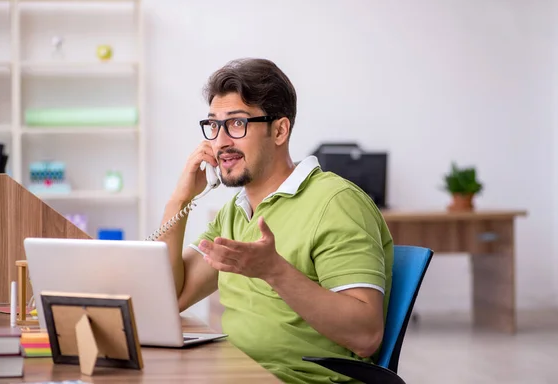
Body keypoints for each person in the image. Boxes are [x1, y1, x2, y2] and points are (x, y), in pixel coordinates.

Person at [160, 58, 394, 384]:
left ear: (280, 130)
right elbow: (170, 297)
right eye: (214, 125)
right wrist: (179, 200)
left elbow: (366, 334)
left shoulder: (336, 202)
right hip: (235, 373)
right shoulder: (236, 211)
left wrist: (274, 270)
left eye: (237, 123)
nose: (221, 141)